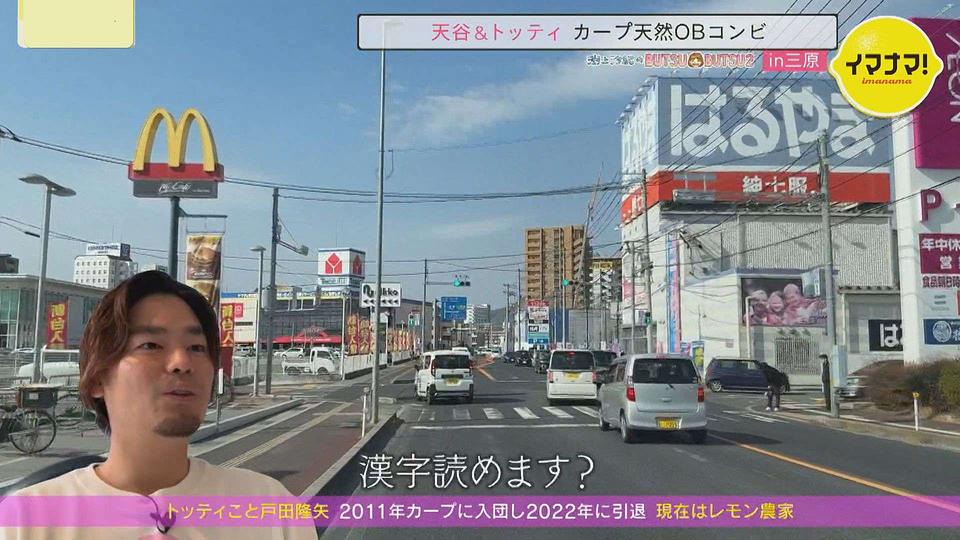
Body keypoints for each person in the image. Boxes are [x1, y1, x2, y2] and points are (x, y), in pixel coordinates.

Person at [5, 271, 317, 539]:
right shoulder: (24, 521)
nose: (182, 362)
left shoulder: (273, 510)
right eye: (151, 345)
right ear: (98, 377)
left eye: (197, 347)